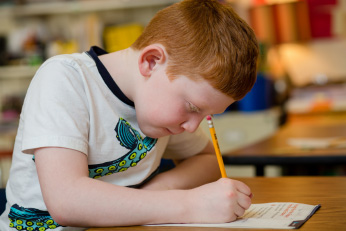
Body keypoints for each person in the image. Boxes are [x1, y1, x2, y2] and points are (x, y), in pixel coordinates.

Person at [0, 0, 259, 230]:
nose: (192, 126)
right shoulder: (64, 78)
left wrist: (157, 192)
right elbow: (67, 201)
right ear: (152, 61)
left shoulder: (158, 109)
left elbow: (208, 159)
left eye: (206, 116)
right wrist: (189, 204)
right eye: (192, 107)